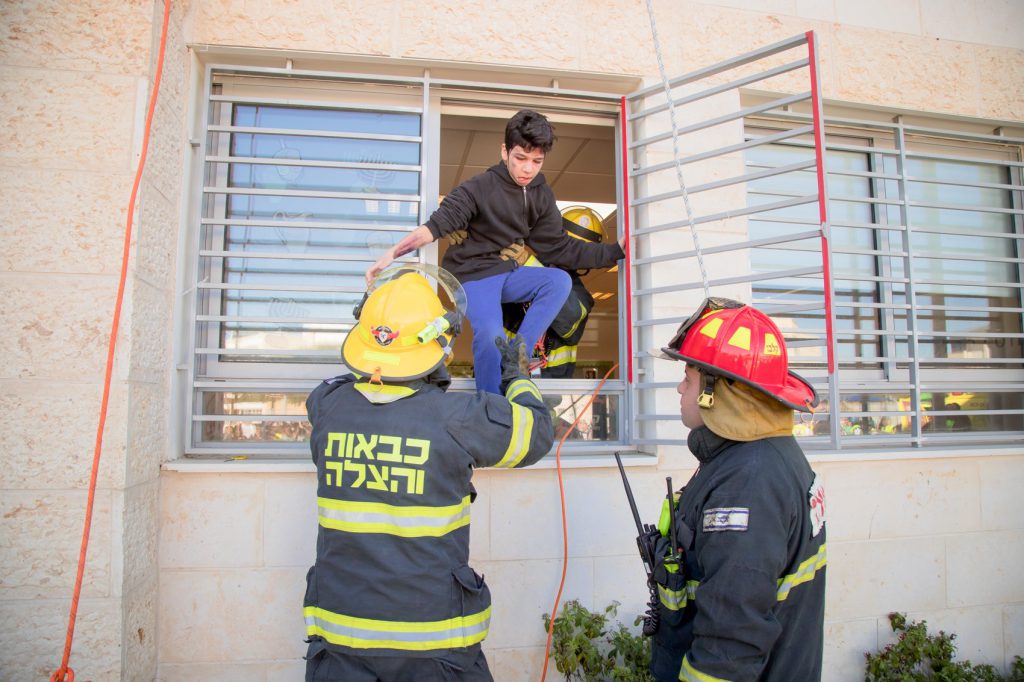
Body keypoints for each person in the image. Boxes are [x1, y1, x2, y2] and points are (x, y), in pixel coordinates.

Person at [303, 265, 554, 681]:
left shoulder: (327, 406)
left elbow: (356, 384)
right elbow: (537, 431)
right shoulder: (458, 418)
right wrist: (517, 377)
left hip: (340, 642)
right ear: (438, 346)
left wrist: (379, 342)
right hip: (433, 647)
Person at [365, 109, 624, 394]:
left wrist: (615, 251)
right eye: (520, 158)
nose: (528, 169)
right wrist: (390, 255)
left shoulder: (540, 194)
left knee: (558, 280)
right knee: (490, 334)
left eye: (536, 161)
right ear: (505, 151)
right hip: (473, 275)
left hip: (507, 272)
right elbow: (433, 228)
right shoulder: (479, 188)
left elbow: (560, 247)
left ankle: (517, 355)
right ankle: (490, 402)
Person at [649, 297, 827, 682]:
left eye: (689, 378)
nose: (680, 388)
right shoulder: (759, 455)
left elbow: (730, 644)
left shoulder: (748, 483)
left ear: (716, 393)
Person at [501, 207, 606, 379]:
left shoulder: (583, 297)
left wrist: (528, 263)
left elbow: (568, 316)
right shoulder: (517, 270)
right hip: (502, 377)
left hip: (551, 386)